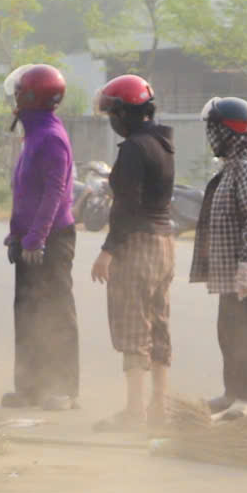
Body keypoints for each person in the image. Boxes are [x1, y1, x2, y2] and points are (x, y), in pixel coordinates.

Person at [89, 74, 175, 431]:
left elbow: (126, 206)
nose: (112, 119)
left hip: (137, 244)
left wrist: (108, 251)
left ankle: (135, 412)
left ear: (124, 113)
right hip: (164, 243)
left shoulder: (133, 149)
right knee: (158, 324)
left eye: (113, 112)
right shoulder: (163, 144)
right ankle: (159, 407)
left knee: (133, 326)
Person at [189, 96, 247, 417]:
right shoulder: (233, 166)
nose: (210, 136)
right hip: (232, 266)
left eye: (214, 129)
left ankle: (246, 398)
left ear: (229, 132)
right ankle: (231, 393)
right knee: (227, 330)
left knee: (243, 331)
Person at [3, 63, 79, 411]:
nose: (15, 98)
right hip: (30, 236)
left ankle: (63, 389)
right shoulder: (33, 133)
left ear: (31, 97)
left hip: (52, 237)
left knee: (56, 311)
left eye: (20, 92)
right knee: (28, 311)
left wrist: (36, 237)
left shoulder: (51, 137)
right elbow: (23, 191)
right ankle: (30, 387)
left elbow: (54, 192)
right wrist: (15, 234)